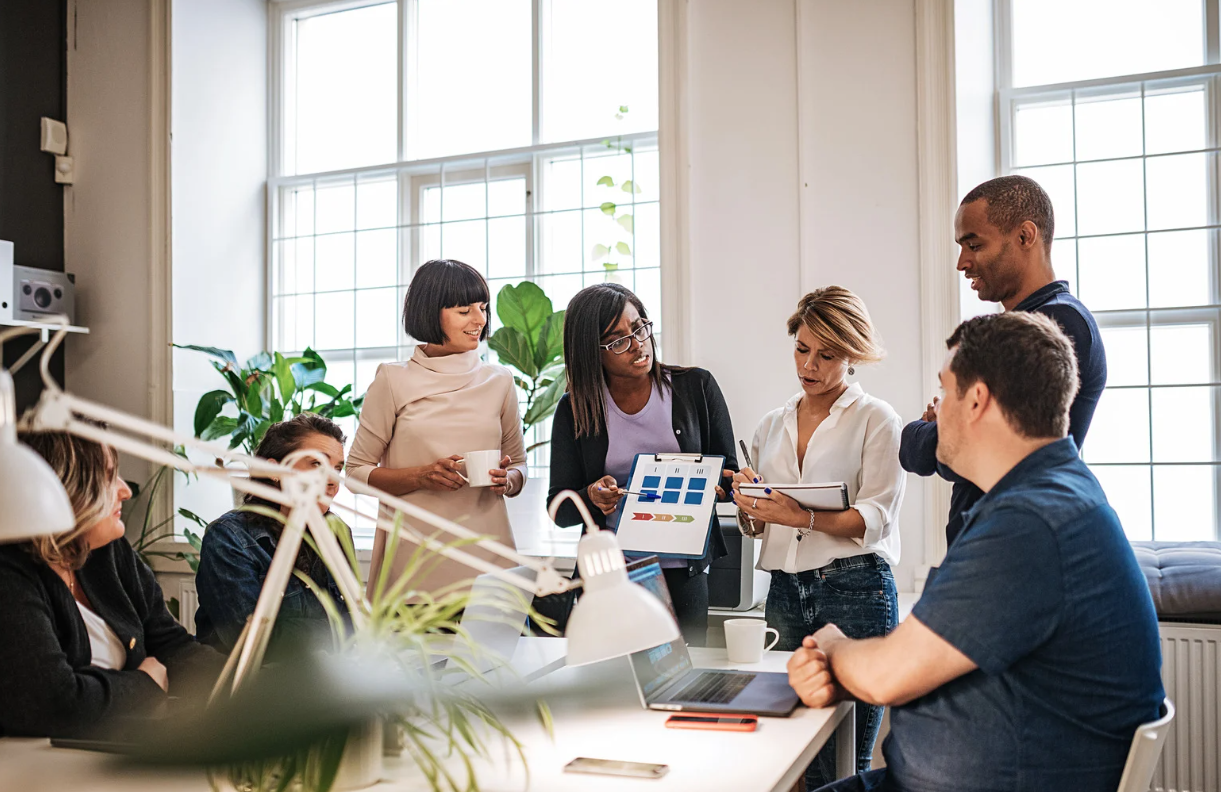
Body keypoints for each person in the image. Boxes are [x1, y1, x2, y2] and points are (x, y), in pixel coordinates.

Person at [788, 312, 1162, 792]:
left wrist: (834, 649)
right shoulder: (1053, 494)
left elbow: (887, 675)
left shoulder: (1030, 524)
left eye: (944, 392)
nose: (936, 409)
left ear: (977, 401)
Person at [731, 287, 904, 790]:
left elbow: (874, 518)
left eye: (827, 354)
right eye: (802, 349)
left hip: (856, 589)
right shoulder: (771, 424)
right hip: (783, 593)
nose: (810, 365)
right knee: (786, 752)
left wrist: (799, 515)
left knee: (845, 757)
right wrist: (750, 507)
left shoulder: (877, 419)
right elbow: (760, 526)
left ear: (852, 355)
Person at [901, 175, 1106, 547]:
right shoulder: (1021, 326)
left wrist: (924, 431)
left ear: (1026, 236)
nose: (962, 262)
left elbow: (962, 449)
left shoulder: (1056, 324)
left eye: (974, 244)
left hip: (1018, 542)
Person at [548, 283, 737, 645]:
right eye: (618, 340)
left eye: (640, 328)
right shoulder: (574, 410)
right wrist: (591, 496)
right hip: (611, 576)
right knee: (611, 686)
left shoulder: (696, 387)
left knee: (685, 684)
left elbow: (728, 475)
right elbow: (560, 510)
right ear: (592, 352)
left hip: (685, 571)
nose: (638, 345)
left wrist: (723, 484)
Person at [0, 431, 222, 738]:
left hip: (112, 745)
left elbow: (172, 647)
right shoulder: (10, 572)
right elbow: (51, 703)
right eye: (109, 477)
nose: (125, 490)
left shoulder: (108, 552)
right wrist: (146, 684)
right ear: (66, 489)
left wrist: (254, 684)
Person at [347, 259, 527, 594]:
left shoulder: (500, 380)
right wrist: (420, 476)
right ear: (431, 313)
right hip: (415, 568)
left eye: (483, 307)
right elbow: (355, 472)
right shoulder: (392, 379)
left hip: (491, 565)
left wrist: (509, 479)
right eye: (464, 311)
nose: (480, 320)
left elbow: (518, 465)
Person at [194, 413, 353, 654]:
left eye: (337, 468)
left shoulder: (336, 532)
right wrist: (334, 633)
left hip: (325, 679)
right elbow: (251, 639)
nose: (332, 481)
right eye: (317, 464)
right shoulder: (230, 538)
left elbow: (354, 627)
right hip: (252, 686)